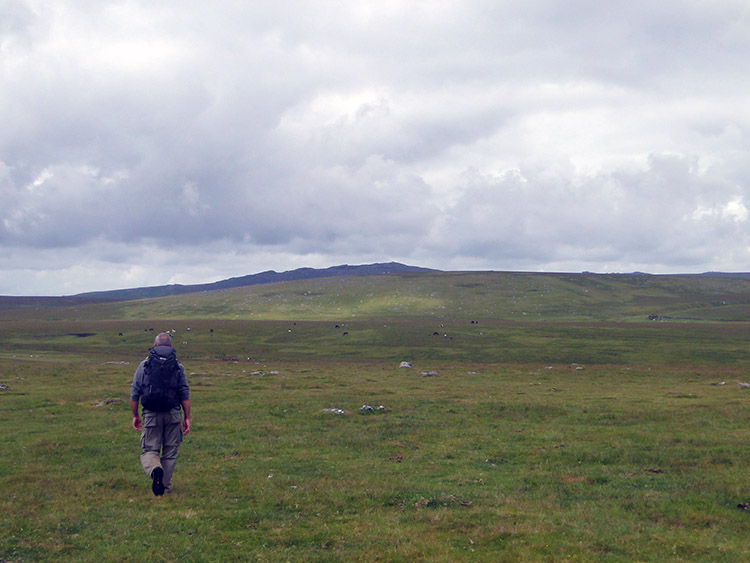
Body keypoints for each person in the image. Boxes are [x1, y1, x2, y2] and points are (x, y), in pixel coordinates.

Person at [130, 332, 191, 496]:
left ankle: (155, 470)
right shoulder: (178, 367)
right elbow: (184, 393)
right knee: (170, 452)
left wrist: (135, 415)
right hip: (173, 413)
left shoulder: (144, 366)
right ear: (171, 346)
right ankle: (163, 487)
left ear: (154, 346)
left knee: (150, 450)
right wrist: (187, 417)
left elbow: (135, 392)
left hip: (151, 414)